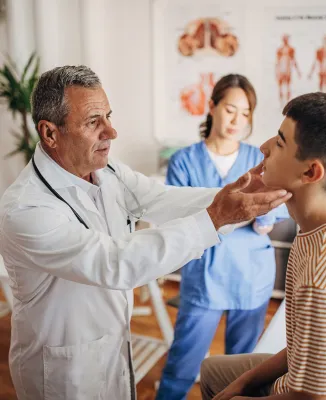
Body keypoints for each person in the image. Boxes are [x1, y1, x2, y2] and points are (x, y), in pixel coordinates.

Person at [0, 66, 292, 400]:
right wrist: (216, 216)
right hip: (64, 368)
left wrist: (231, 194)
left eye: (108, 116)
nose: (112, 131)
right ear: (50, 133)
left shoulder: (107, 170)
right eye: (94, 121)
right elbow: (115, 263)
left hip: (111, 345)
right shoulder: (27, 209)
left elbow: (160, 199)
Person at [200, 92, 326, 400]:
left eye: (280, 142)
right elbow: (304, 347)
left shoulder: (325, 275)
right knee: (215, 371)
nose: (264, 147)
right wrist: (243, 381)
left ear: (310, 172)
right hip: (311, 378)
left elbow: (313, 397)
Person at [156, 74, 290, 400]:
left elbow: (280, 206)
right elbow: (176, 215)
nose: (237, 120)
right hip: (204, 277)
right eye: (231, 109)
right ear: (213, 106)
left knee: (240, 373)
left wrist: (267, 215)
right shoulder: (184, 161)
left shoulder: (260, 159)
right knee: (182, 366)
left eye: (245, 114)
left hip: (252, 276)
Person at [275, 34, 301, 106]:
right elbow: (277, 62)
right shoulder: (279, 49)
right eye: (284, 39)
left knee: (288, 86)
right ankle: (281, 103)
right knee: (280, 87)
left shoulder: (291, 49)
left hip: (287, 70)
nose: (285, 41)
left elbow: (294, 60)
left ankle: (287, 102)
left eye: (286, 39)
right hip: (281, 69)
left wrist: (298, 71)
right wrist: (276, 72)